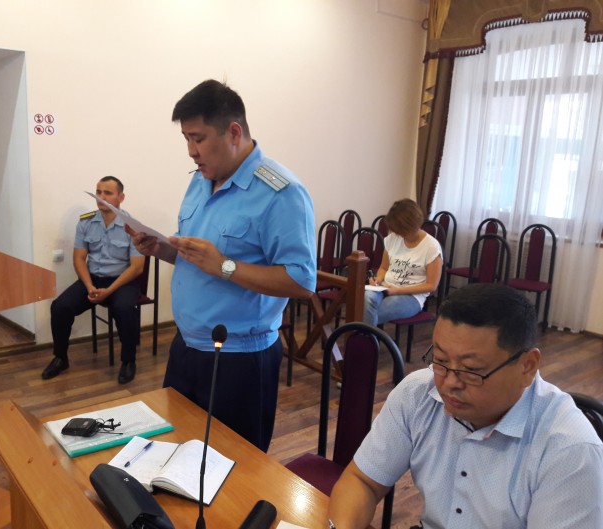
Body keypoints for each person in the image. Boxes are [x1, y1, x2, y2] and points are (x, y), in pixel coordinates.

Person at [130, 79, 316, 452]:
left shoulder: (281, 193)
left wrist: (225, 266)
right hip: (186, 346)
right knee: (176, 454)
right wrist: (162, 248)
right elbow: (198, 257)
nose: (190, 151)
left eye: (197, 138)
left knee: (234, 468)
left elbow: (301, 281)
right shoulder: (201, 180)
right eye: (186, 139)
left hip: (239, 360)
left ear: (233, 132)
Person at [328, 283, 603, 529]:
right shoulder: (418, 394)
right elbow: (363, 481)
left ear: (527, 366)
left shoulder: (570, 451)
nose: (449, 383)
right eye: (440, 360)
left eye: (471, 370)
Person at [42, 176, 145, 384]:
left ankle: (128, 361)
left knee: (125, 309)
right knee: (60, 307)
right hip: (92, 280)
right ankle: (60, 358)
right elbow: (79, 258)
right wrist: (89, 286)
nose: (101, 197)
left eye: (108, 193)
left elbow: (137, 267)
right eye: (98, 192)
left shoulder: (132, 227)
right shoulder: (86, 222)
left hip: (121, 281)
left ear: (121, 197)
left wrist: (109, 290)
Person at [363, 199, 442, 325]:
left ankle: (362, 336)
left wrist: (398, 290)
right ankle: (366, 336)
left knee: (370, 312)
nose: (398, 234)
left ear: (411, 226)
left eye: (401, 231)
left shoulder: (431, 247)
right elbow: (384, 267)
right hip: (385, 288)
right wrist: (378, 279)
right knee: (366, 299)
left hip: (412, 297)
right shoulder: (392, 239)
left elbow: (431, 286)